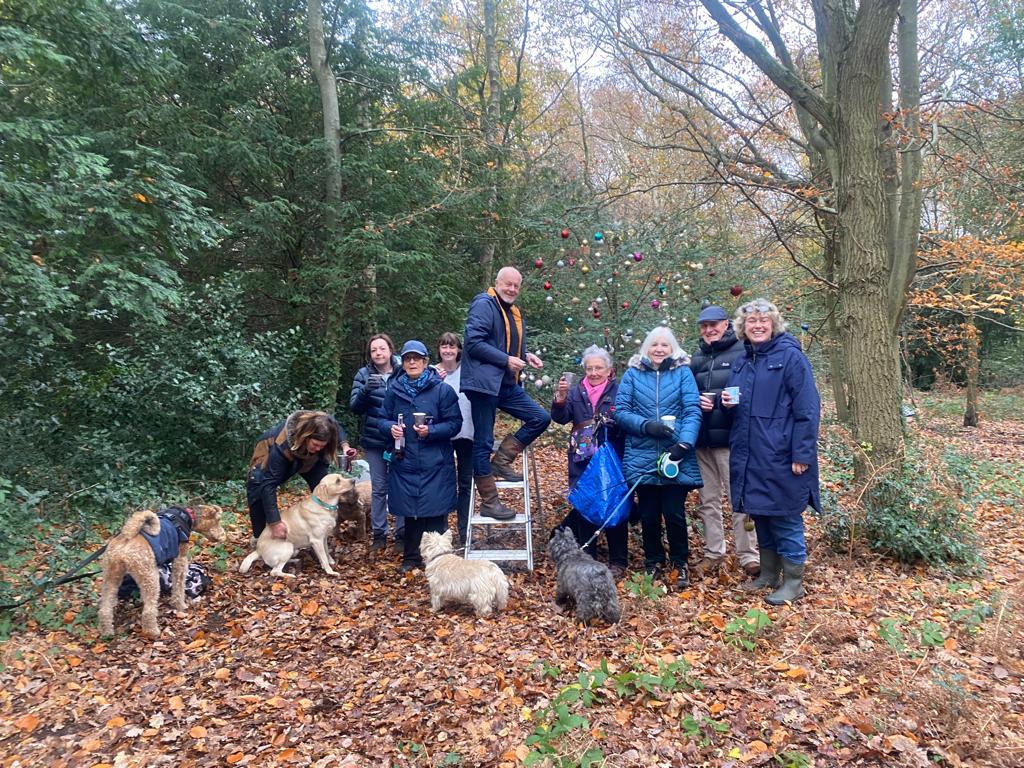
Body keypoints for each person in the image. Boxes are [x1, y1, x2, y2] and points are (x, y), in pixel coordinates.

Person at [723, 299, 820, 604]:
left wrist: (801, 454)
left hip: (781, 453)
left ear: (774, 324)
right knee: (762, 515)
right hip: (751, 455)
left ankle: (793, 581)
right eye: (752, 321)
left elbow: (808, 409)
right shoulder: (742, 361)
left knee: (786, 516)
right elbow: (741, 409)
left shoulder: (790, 357)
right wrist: (728, 405)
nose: (758, 325)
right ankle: (768, 573)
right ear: (743, 327)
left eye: (764, 320)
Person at [614, 326, 703, 586]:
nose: (659, 349)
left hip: (675, 452)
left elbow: (692, 410)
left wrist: (684, 444)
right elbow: (621, 411)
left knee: (675, 513)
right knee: (649, 514)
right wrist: (645, 426)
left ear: (672, 348)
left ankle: (680, 562)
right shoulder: (632, 374)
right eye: (655, 345)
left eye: (665, 345)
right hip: (641, 453)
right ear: (646, 348)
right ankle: (653, 561)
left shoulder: (683, 374)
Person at [461, 266, 552, 519]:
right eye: (507, 284)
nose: (512, 289)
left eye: (516, 286)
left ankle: (500, 462)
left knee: (540, 418)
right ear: (497, 283)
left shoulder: (510, 311)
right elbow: (474, 343)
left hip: (504, 384)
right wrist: (506, 360)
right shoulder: (484, 304)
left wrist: (525, 355)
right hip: (482, 385)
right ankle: (489, 503)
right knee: (483, 442)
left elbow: (504, 344)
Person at [688, 305, 760, 579]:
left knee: (738, 499)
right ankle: (713, 553)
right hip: (702, 440)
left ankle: (749, 556)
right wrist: (695, 401)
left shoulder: (743, 352)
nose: (708, 330)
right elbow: (687, 394)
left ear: (726, 324)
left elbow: (752, 391)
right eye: (704, 326)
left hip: (732, 440)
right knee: (708, 500)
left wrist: (726, 401)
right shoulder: (696, 357)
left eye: (713, 325)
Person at [379, 340, 462, 572]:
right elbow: (381, 420)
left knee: (435, 512)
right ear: (402, 363)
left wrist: (431, 431)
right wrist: (389, 428)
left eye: (417, 358)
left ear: (426, 362)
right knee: (411, 512)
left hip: (435, 461)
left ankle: (439, 560)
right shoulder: (394, 390)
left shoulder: (442, 390)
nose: (412, 362)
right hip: (405, 460)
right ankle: (411, 558)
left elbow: (455, 424)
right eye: (408, 359)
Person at [550, 346, 628, 579]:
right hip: (581, 456)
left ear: (609, 370)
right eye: (589, 368)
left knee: (614, 502)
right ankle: (588, 557)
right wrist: (561, 399)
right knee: (584, 502)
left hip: (611, 455)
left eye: (599, 368)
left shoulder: (619, 390)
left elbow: (626, 419)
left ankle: (618, 559)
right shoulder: (576, 391)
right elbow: (560, 418)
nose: (594, 372)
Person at [246, 410, 356, 540]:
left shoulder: (326, 424)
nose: (318, 448)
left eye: (322, 446)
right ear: (305, 437)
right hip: (271, 456)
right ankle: (260, 539)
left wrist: (345, 446)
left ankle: (320, 530)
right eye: (315, 444)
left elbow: (337, 428)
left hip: (309, 460)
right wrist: (275, 523)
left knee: (325, 488)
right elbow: (269, 485)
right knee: (258, 487)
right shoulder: (280, 446)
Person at [350, 333, 402, 552]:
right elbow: (354, 407)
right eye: (374, 350)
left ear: (390, 350)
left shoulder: (403, 371)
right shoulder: (363, 375)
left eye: (382, 349)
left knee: (400, 487)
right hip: (374, 441)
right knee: (379, 488)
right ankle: (379, 534)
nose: (378, 353)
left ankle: (402, 533)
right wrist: (365, 391)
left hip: (400, 439)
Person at [435, 332, 474, 545]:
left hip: (468, 433)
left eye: (452, 346)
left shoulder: (468, 371)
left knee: (466, 484)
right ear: (439, 349)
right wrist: (434, 382)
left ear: (459, 350)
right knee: (443, 483)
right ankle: (442, 533)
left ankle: (465, 531)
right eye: (444, 346)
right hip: (441, 435)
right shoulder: (432, 372)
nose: (448, 350)